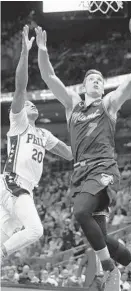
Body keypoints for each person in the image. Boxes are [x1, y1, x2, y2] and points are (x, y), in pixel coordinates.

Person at [35, 19, 131, 291]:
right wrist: (43, 51)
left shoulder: (108, 104)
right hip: (81, 174)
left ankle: (109, 270)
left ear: (103, 88)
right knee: (102, 238)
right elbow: (49, 77)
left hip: (102, 168)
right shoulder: (73, 106)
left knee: (80, 212)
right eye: (92, 79)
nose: (97, 81)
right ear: (84, 86)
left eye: (100, 80)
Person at [0, 25, 73, 260]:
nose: (31, 104)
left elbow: (71, 154)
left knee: (5, 234)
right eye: (28, 103)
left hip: (25, 190)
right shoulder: (19, 122)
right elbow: (20, 87)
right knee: (35, 230)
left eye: (34, 104)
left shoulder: (44, 134)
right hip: (13, 183)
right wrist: (25, 52)